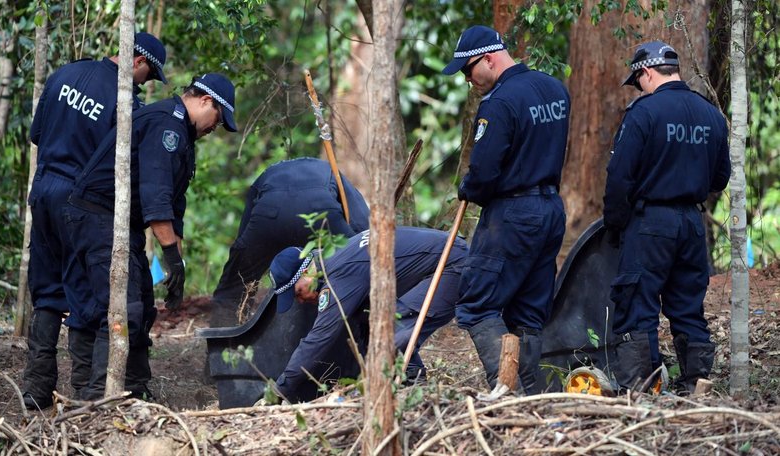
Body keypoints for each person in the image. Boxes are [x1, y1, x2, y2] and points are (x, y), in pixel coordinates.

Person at [65, 73, 238, 400]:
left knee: (143, 305)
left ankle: (135, 389)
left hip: (121, 223)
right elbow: (157, 198)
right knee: (121, 306)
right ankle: (99, 396)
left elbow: (174, 205)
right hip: (97, 215)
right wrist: (172, 257)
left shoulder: (182, 134)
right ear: (204, 100)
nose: (215, 128)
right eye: (217, 118)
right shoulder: (167, 126)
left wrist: (177, 266)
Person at [23, 32, 168, 410]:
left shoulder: (65, 74)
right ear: (137, 61)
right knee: (85, 292)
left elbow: (36, 133)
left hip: (43, 191)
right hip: (80, 204)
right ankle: (86, 389)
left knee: (46, 289)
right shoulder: (125, 103)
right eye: (148, 75)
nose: (144, 84)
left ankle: (36, 391)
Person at [441, 25, 570, 394]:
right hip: (550, 210)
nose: (469, 80)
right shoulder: (555, 89)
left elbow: (482, 173)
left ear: (490, 58)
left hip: (513, 215)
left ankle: (508, 392)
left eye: (469, 71)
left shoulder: (499, 103)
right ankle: (533, 397)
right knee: (528, 314)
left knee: (477, 306)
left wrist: (468, 188)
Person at [603, 41, 730, 394]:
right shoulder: (710, 114)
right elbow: (720, 178)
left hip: (650, 224)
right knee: (688, 307)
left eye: (638, 79)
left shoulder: (643, 113)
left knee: (637, 305)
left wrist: (615, 224)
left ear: (645, 72)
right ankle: (697, 389)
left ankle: (642, 393)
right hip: (692, 224)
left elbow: (619, 178)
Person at [268, 226, 467, 403]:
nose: (301, 301)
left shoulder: (338, 274)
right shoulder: (333, 257)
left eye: (298, 293)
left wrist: (281, 390)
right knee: (375, 324)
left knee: (389, 334)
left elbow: (320, 338)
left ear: (306, 273)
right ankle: (415, 387)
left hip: (452, 263)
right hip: (448, 254)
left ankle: (417, 392)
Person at [210, 157, 370, 327]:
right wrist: (365, 250)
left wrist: (243, 262)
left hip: (271, 214)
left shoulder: (268, 174)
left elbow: (243, 239)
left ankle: (223, 337)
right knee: (359, 261)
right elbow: (361, 226)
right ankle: (367, 327)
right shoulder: (331, 170)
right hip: (320, 211)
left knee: (237, 282)